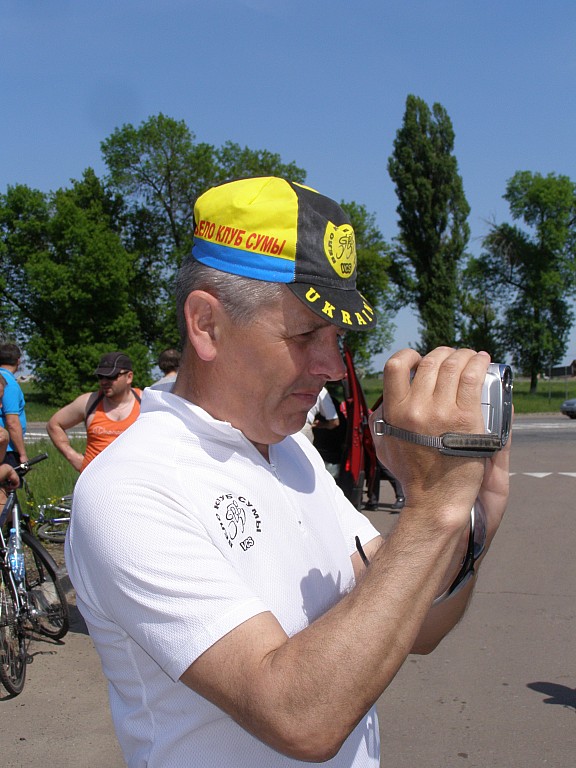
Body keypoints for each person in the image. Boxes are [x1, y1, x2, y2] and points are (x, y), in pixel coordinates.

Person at [65, 176, 510, 768]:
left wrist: (473, 520)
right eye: (305, 335)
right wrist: (433, 512)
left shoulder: (290, 449)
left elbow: (418, 626)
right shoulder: (131, 487)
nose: (333, 367)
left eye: (337, 337)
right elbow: (300, 719)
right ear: (206, 324)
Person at [47, 352, 142, 472]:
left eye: (111, 376)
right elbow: (54, 425)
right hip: (94, 479)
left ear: (129, 377)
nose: (104, 382)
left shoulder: (145, 403)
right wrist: (73, 457)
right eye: (100, 377)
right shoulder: (88, 402)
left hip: (133, 478)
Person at [0, 342, 28, 469]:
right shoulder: (9, 384)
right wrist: (22, 454)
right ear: (18, 361)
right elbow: (12, 422)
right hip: (7, 449)